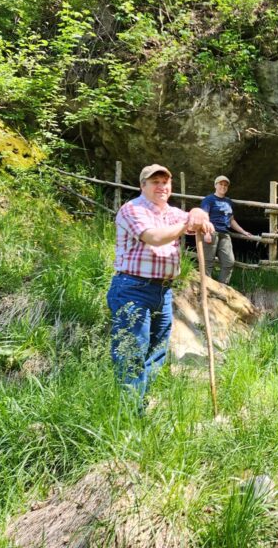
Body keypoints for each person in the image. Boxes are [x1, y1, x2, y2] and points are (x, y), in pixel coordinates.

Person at [107, 164, 215, 404]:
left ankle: (141, 403)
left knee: (156, 352)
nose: (161, 187)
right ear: (142, 185)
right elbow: (154, 237)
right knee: (132, 351)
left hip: (163, 291)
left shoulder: (172, 213)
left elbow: (198, 221)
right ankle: (128, 412)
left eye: (165, 182)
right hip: (132, 289)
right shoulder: (132, 209)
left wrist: (199, 212)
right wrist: (188, 223)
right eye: (155, 182)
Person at [200, 175, 254, 285]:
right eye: (221, 184)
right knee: (208, 261)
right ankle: (206, 287)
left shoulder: (228, 202)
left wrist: (243, 231)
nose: (223, 187)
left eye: (225, 185)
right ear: (215, 185)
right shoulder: (209, 199)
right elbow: (204, 217)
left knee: (229, 262)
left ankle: (222, 286)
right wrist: (206, 232)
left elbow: (231, 220)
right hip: (212, 232)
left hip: (224, 233)